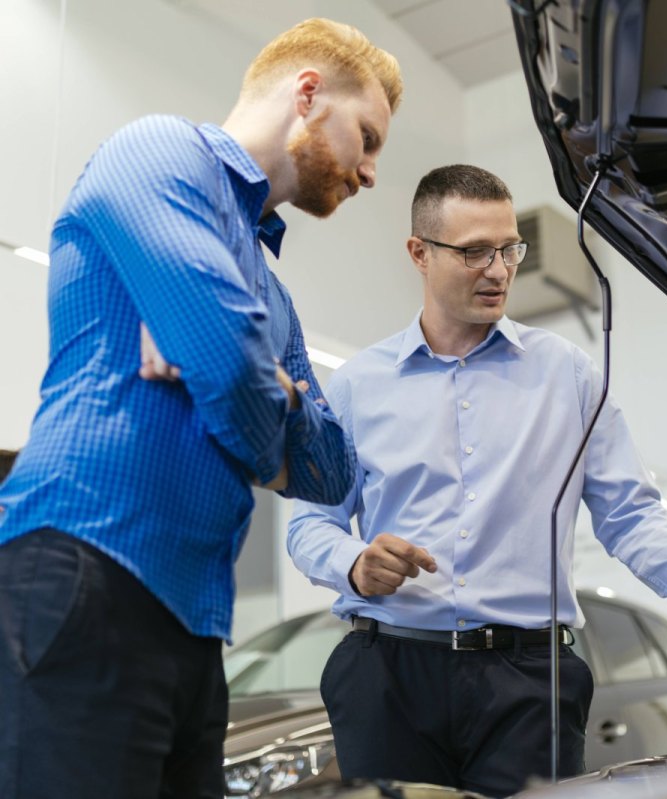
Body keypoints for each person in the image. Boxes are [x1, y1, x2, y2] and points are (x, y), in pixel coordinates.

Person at [288, 164, 667, 797]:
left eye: (510, 249)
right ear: (419, 254)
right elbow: (309, 523)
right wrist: (353, 564)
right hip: (387, 673)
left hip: (531, 680)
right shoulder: (354, 386)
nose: (499, 270)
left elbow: (631, 514)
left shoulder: (567, 375)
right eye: (474, 252)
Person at [0, 19, 402, 799]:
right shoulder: (159, 153)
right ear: (310, 94)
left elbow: (329, 471)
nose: (372, 171)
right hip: (87, 571)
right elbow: (236, 381)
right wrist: (246, 375)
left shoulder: (268, 287)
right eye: (369, 137)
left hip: (194, 623)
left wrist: (248, 367)